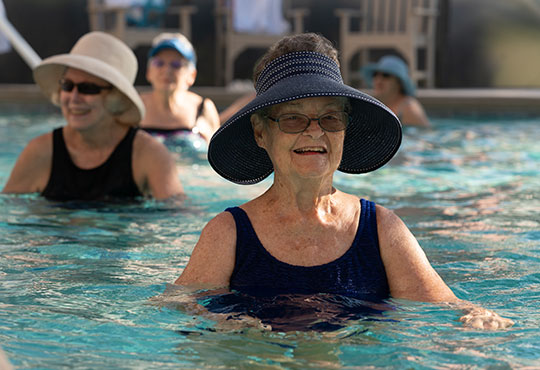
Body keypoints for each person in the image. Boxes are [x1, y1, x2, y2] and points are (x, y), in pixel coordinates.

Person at [174, 33, 513, 330]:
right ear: (261, 132)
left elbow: (445, 307)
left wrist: (479, 315)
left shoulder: (380, 229)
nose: (315, 131)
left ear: (345, 129)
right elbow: (175, 307)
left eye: (330, 117)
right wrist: (220, 321)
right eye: (293, 118)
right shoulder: (228, 233)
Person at [2, 31, 183, 201]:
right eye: (67, 85)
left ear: (116, 99)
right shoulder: (41, 152)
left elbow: (178, 218)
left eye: (88, 88)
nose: (74, 98)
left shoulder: (148, 155)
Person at [140, 33, 220, 143]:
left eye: (176, 64)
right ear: (148, 72)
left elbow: (218, 156)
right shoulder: (135, 108)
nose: (166, 70)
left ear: (192, 75)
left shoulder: (203, 109)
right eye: (159, 63)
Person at [361, 55, 430, 128]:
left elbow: (425, 135)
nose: (378, 80)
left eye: (386, 75)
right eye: (375, 74)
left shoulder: (409, 109)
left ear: (399, 83)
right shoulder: (374, 105)